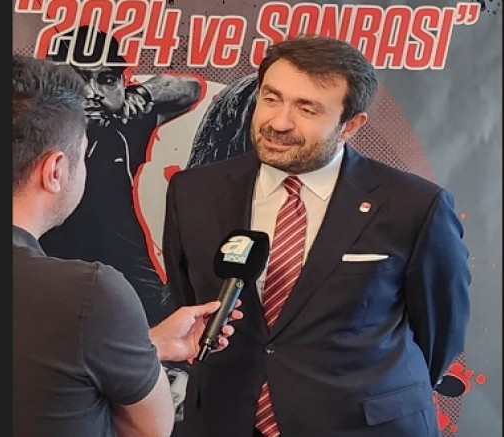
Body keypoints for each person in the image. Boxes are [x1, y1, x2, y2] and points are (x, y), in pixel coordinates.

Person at [163, 36, 471, 437]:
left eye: (306, 109)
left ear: (351, 125)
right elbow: (190, 299)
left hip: (364, 425)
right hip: (227, 420)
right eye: (271, 98)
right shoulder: (192, 191)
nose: (278, 122)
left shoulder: (413, 205)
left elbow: (440, 331)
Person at [12, 53, 241, 437]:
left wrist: (135, 347)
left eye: (106, 80)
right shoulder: (89, 293)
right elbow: (149, 428)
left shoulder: (85, 305)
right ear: (55, 171)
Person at [39, 26, 205, 327]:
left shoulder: (127, 125)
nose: (92, 93)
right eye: (78, 78)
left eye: (107, 80)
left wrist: (142, 93)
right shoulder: (34, 129)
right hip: (51, 268)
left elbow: (189, 88)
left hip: (127, 272)